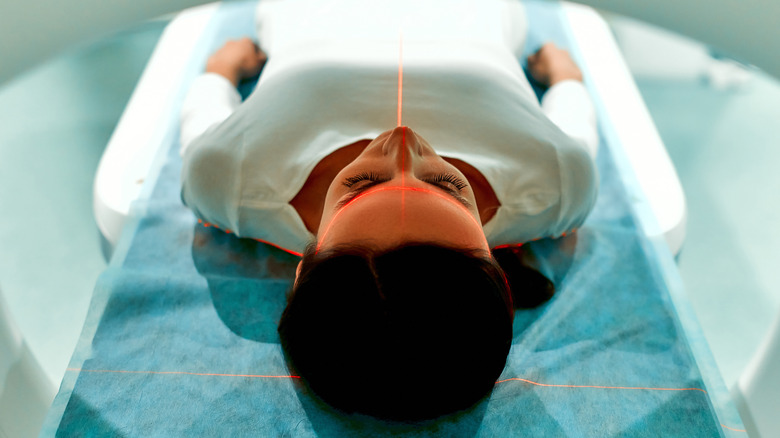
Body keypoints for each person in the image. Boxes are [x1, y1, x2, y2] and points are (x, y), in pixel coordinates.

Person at [179, 0, 598, 420]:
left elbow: (203, 116)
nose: (403, 139)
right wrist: (565, 76)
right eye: (448, 187)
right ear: (496, 268)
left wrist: (222, 69)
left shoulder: (230, 178)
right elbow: (575, 125)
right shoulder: (556, 186)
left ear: (303, 268)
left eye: (361, 183)